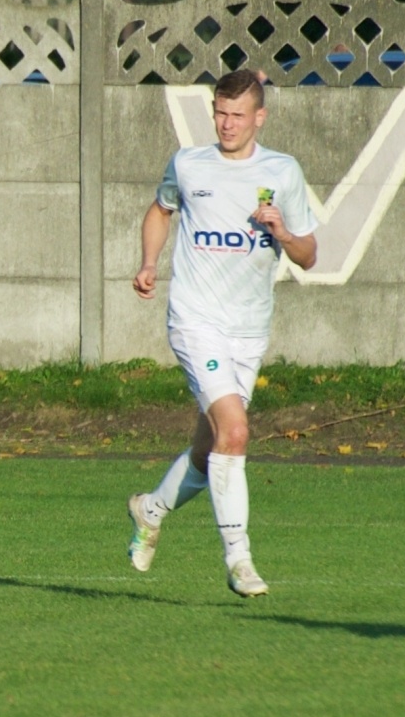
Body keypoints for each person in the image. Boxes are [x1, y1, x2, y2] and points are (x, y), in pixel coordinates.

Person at [126, 69, 318, 597]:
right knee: (234, 432)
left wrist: (280, 231)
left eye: (237, 115)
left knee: (211, 445)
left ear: (260, 117)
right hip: (195, 320)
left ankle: (151, 508)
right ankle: (239, 559)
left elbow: (308, 254)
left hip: (249, 330)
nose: (227, 124)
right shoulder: (189, 164)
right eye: (219, 112)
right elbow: (160, 210)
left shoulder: (282, 172)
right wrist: (148, 262)